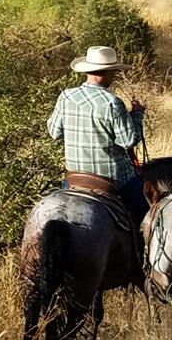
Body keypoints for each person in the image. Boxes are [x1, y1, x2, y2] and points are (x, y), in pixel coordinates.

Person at [46, 45, 148, 221]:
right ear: (107, 73)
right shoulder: (112, 103)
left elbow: (54, 132)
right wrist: (137, 116)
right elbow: (128, 141)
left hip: (74, 177)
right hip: (112, 178)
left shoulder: (66, 97)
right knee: (151, 211)